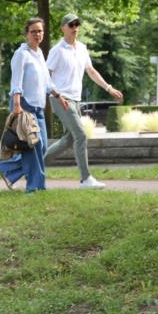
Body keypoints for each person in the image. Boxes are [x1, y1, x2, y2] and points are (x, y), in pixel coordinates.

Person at [45, 13, 124, 189]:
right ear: (62, 28)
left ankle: (36, 167)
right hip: (60, 99)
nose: (75, 28)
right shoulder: (57, 51)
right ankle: (86, 179)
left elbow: (91, 71)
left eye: (77, 25)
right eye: (71, 25)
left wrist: (109, 88)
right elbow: (46, 76)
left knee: (68, 140)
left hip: (75, 100)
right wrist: (57, 95)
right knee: (80, 135)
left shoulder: (81, 48)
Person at [0, 18, 69, 193]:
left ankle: (7, 169)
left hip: (39, 107)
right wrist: (16, 104)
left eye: (40, 31)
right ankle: (35, 186)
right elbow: (16, 81)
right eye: (34, 31)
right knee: (32, 146)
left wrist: (58, 96)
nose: (37, 34)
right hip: (25, 105)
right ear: (26, 34)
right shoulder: (21, 54)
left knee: (42, 146)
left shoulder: (40, 54)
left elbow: (46, 81)